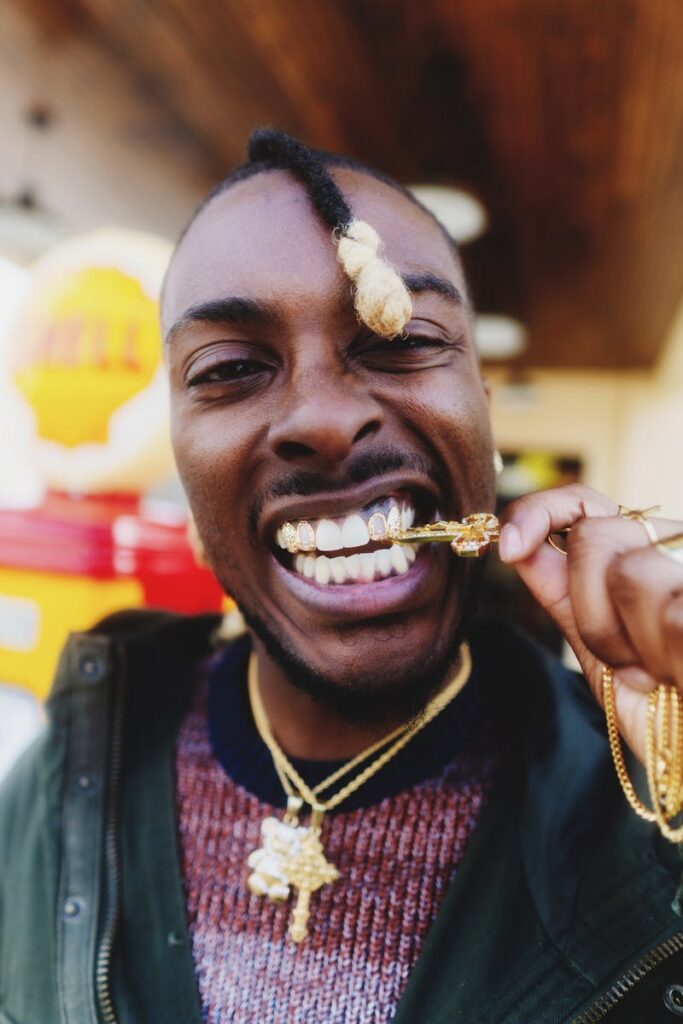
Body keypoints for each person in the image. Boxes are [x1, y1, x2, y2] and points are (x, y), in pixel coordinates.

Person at [2, 130, 683, 1024]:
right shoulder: (60, 783)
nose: (324, 420)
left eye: (402, 342)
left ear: (484, 413)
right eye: (230, 369)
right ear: (184, 472)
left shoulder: (647, 809)